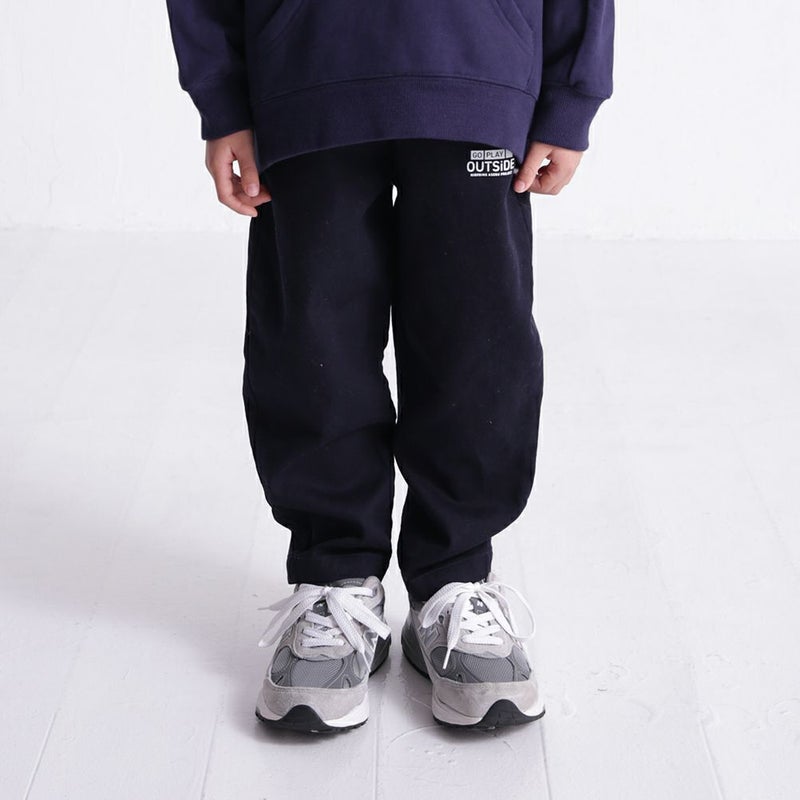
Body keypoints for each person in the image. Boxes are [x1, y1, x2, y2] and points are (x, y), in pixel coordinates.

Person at [166, 0, 614, 733]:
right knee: (311, 342)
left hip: (479, 65)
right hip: (305, 71)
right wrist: (223, 98)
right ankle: (334, 579)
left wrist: (571, 95)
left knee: (477, 342)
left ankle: (455, 579)